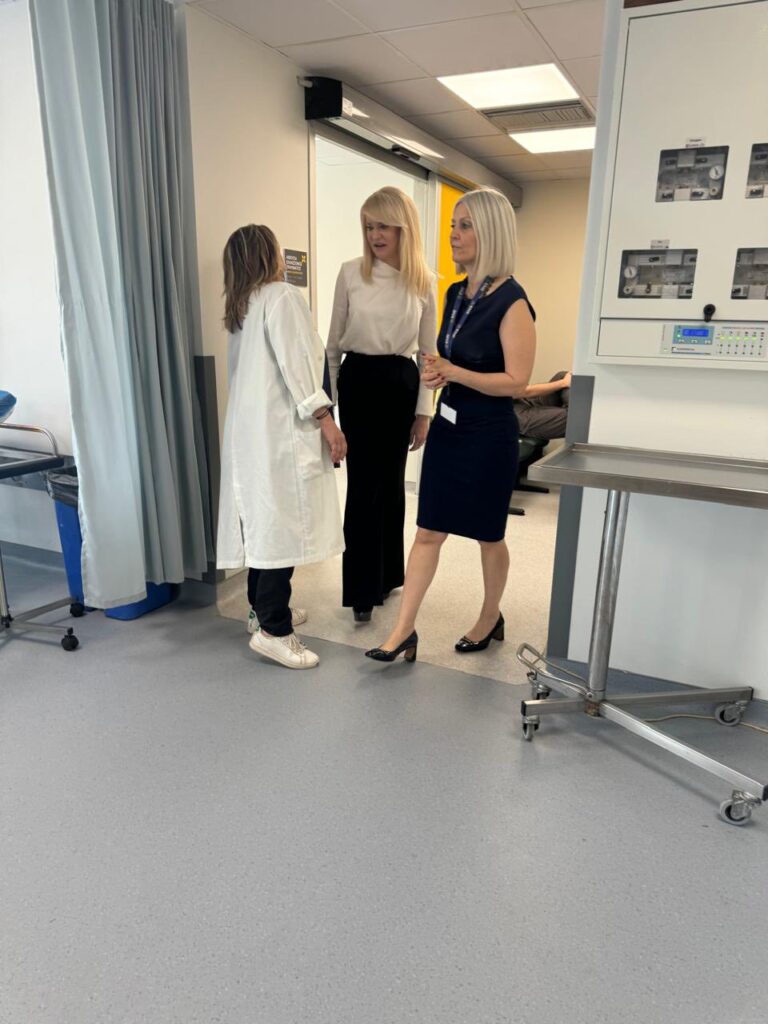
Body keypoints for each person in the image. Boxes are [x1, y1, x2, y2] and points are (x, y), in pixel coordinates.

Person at [365, 188, 536, 664]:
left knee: (488, 534)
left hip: (489, 434)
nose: (453, 235)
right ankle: (403, 631)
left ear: (491, 232)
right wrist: (437, 374)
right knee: (428, 531)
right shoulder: (455, 293)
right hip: (449, 429)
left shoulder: (513, 301)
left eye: (464, 226)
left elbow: (517, 381)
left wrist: (455, 372)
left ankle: (490, 616)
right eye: (452, 226)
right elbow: (451, 356)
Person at [216, 224, 346, 670]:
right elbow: (300, 367)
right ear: (270, 255)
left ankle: (261, 612)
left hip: (251, 436)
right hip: (279, 435)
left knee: (264, 525)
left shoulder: (241, 307)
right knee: (280, 529)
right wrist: (326, 420)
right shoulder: (282, 297)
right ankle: (274, 630)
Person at [326, 186, 437, 623]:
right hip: (359, 381)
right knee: (362, 487)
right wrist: (328, 414)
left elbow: (428, 354)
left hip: (400, 383)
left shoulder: (423, 281)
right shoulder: (351, 273)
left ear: (403, 229)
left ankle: (389, 575)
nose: (375, 235)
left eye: (383, 226)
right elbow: (332, 347)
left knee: (391, 485)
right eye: (369, 226)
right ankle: (361, 589)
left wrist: (424, 411)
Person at [514, 371, 571, 440]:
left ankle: (576, 413)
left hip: (523, 401)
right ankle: (577, 418)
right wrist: (563, 383)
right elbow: (518, 392)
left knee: (562, 376)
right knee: (577, 418)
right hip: (513, 414)